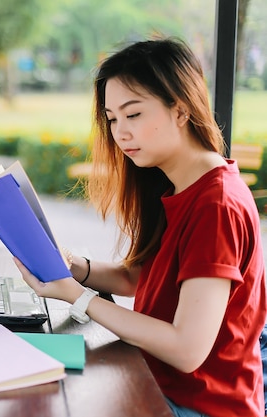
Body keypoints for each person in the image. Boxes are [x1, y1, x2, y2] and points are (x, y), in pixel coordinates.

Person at [15, 37, 267, 417]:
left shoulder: (217, 205)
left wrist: (77, 297)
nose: (120, 133)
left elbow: (187, 350)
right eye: (112, 118)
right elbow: (143, 279)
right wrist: (76, 269)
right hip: (155, 381)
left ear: (180, 110)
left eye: (133, 114)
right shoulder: (176, 183)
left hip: (200, 405)